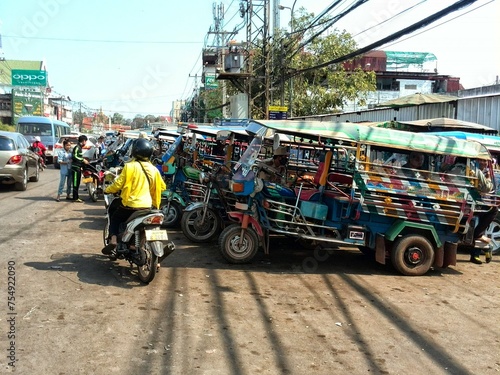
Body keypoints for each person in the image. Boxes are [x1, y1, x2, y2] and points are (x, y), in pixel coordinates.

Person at [102, 138, 166, 255]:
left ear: (135, 151)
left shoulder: (129, 167)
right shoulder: (154, 170)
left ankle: (114, 239)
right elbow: (162, 187)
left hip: (130, 205)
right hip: (148, 206)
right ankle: (133, 245)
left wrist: (107, 190)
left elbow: (118, 184)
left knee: (115, 217)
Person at [470, 158, 498, 264]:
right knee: (477, 231)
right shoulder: (473, 171)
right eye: (481, 160)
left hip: (486, 205)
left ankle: (480, 251)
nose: (483, 163)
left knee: (478, 231)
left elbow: (487, 188)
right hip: (477, 204)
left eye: (485, 161)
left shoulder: (488, 173)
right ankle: (482, 250)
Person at [71, 135, 89, 203]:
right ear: (83, 141)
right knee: (75, 183)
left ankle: (76, 197)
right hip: (75, 168)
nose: (86, 143)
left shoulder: (80, 148)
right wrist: (83, 160)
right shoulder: (77, 147)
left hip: (78, 168)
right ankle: (75, 198)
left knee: (77, 183)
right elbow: (74, 156)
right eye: (86, 141)